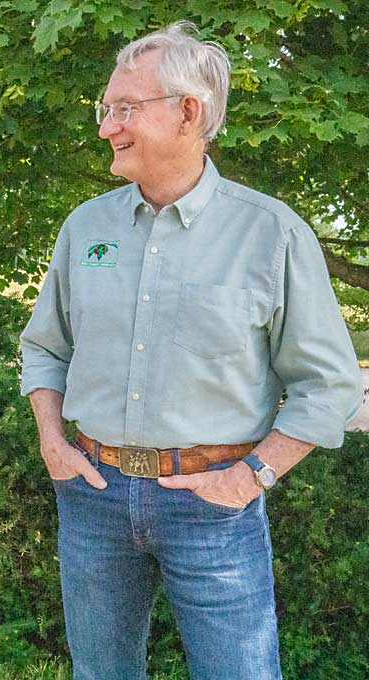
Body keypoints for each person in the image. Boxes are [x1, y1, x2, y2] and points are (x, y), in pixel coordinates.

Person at [19, 21, 362, 680]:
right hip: (91, 493)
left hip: (214, 506)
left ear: (188, 112)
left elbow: (329, 386)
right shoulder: (86, 227)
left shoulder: (271, 234)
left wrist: (247, 479)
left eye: (125, 109)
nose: (106, 127)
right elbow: (44, 347)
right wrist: (52, 444)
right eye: (105, 108)